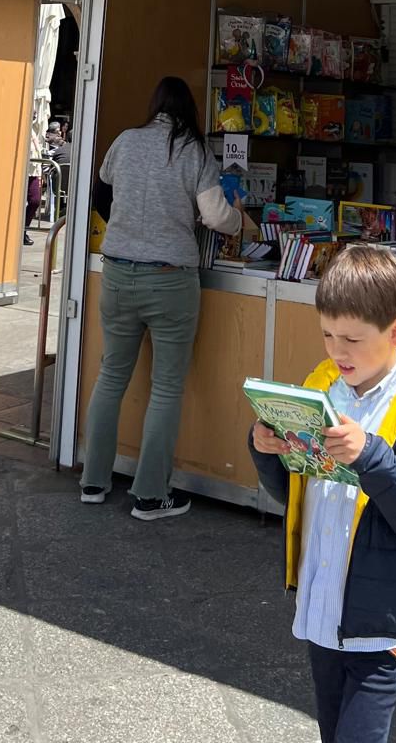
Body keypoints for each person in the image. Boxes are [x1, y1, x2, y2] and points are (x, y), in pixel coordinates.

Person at [249, 244, 396, 743]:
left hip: (384, 621)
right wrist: (267, 448)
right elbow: (293, 492)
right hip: (323, 605)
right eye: (326, 333)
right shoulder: (322, 384)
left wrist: (371, 455)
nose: (336, 351)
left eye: (351, 338)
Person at [79, 75, 247, 520]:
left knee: (111, 376)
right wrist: (240, 224)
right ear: (188, 109)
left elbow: (101, 194)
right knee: (167, 387)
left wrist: (132, 225)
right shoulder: (193, 150)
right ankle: (150, 496)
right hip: (170, 279)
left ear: (154, 106)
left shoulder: (125, 142)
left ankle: (93, 482)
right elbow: (214, 215)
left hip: (117, 272)